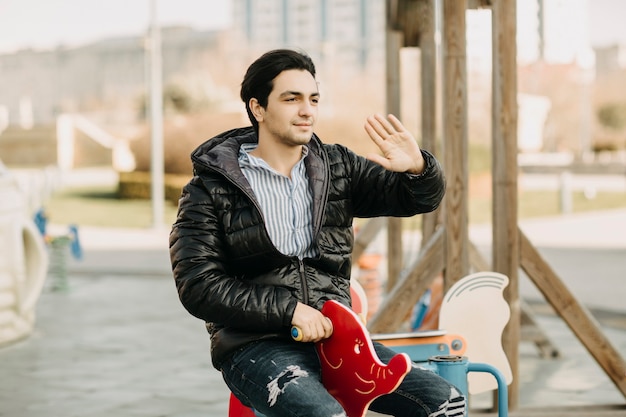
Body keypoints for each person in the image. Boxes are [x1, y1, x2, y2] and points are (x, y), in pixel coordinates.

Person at [169, 49, 465, 417]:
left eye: (313, 99)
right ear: (258, 108)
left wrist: (419, 168)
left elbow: (416, 198)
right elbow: (198, 285)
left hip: (340, 341)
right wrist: (290, 311)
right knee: (324, 414)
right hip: (254, 346)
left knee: (445, 402)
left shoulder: (337, 167)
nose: (307, 110)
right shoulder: (209, 190)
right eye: (291, 98)